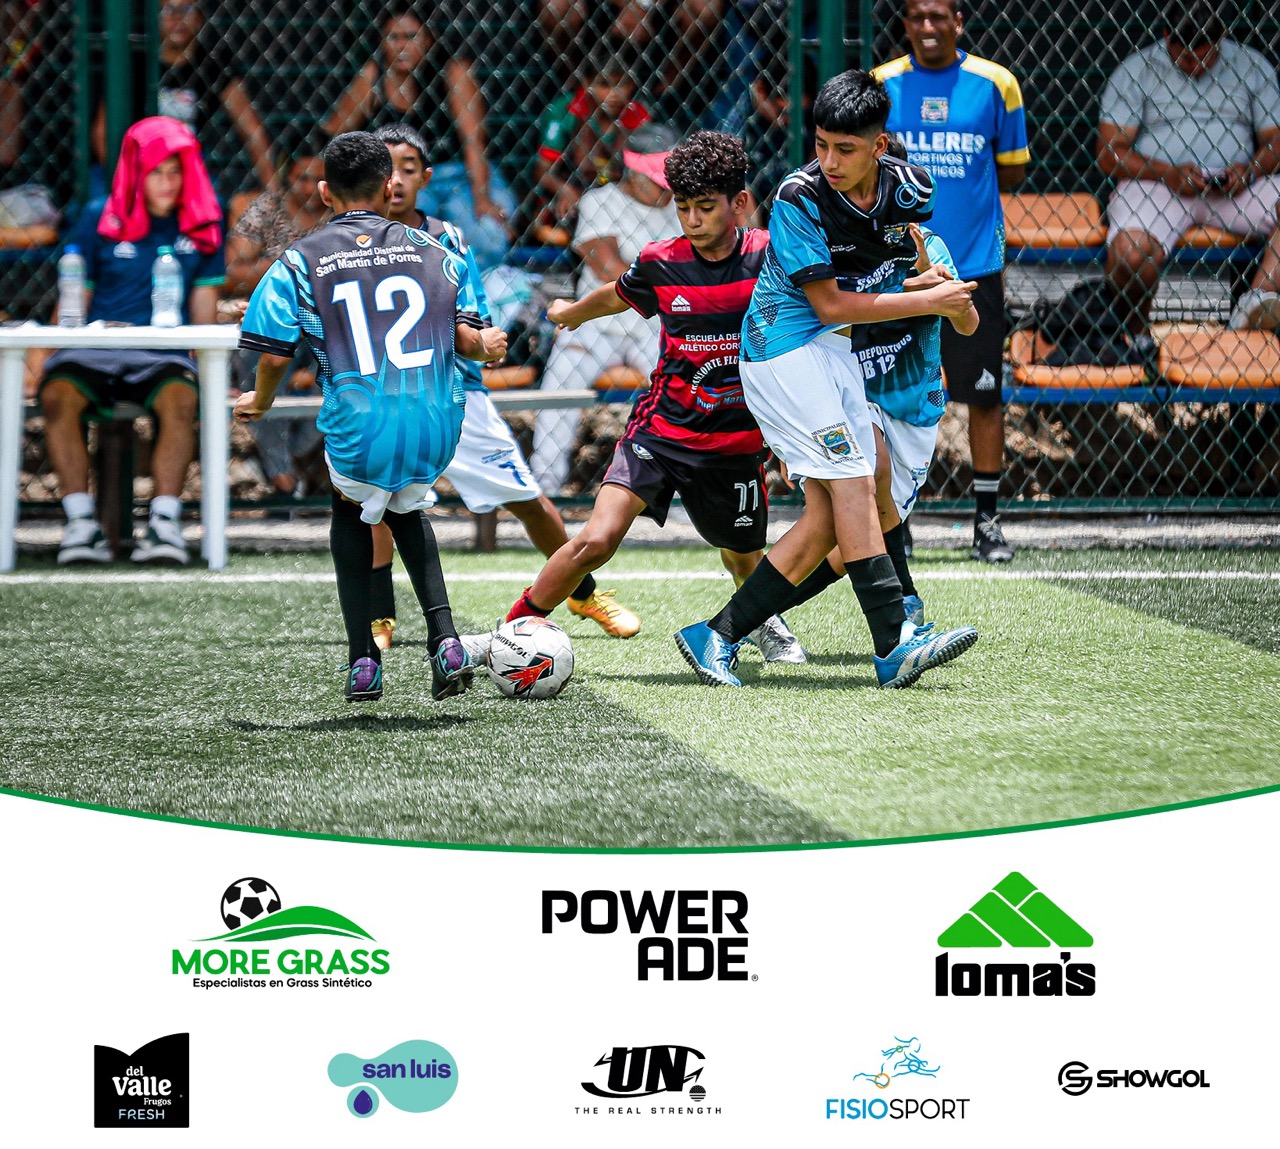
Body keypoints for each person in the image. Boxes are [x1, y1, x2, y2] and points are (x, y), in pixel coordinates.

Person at [674, 70, 979, 689]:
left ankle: (716, 635)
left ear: (879, 145)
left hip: (833, 355)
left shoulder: (910, 190)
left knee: (829, 515)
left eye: (845, 148)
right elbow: (832, 304)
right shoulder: (798, 198)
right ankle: (894, 641)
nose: (830, 161)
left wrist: (927, 282)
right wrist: (929, 299)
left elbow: (892, 273)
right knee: (854, 483)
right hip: (781, 350)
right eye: (821, 145)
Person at [467, 130, 804, 663]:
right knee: (595, 540)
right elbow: (616, 294)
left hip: (735, 444)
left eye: (705, 208)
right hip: (660, 433)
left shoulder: (770, 256)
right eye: (683, 208)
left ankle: (761, 619)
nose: (692, 220)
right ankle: (506, 634)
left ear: (740, 203)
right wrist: (573, 313)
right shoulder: (662, 261)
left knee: (744, 556)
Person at [235, 131, 507, 703]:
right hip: (436, 419)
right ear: (389, 187)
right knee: (407, 504)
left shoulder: (300, 259)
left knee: (351, 509)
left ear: (324, 192)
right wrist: (486, 347)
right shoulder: (437, 249)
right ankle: (445, 639)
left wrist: (261, 400)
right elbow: (469, 336)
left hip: (361, 422)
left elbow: (272, 354)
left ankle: (363, 658)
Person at [368, 122, 640, 648]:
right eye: (386, 169)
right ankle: (380, 618)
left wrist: (481, 340)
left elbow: (473, 314)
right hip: (383, 395)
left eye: (407, 169)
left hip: (454, 393)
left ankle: (582, 592)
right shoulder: (355, 242)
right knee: (374, 503)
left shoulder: (448, 239)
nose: (395, 180)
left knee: (527, 498)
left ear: (426, 178)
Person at [775, 141, 980, 634]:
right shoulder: (836, 250)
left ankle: (759, 613)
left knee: (847, 542)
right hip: (850, 394)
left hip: (912, 404)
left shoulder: (930, 247)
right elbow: (820, 315)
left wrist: (932, 282)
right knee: (873, 466)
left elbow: (969, 323)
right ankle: (903, 601)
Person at [873, 0, 1028, 563]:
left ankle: (987, 521)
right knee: (892, 395)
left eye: (939, 16)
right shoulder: (881, 83)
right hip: (898, 265)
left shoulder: (996, 83)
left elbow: (1013, 167)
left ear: (958, 21)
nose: (928, 27)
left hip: (973, 264)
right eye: (917, 17)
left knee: (983, 395)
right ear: (905, 24)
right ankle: (897, 521)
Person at [40, 116, 224, 566]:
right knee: (56, 393)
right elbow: (73, 299)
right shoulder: (98, 215)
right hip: (94, 351)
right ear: (136, 173)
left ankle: (164, 523)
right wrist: (37, 362)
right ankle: (80, 524)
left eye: (176, 172)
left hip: (162, 356)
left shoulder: (202, 223)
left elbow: (204, 315)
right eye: (156, 172)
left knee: (182, 398)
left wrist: (214, 375)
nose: (167, 183)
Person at [1097, 1, 1280, 335]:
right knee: (1130, 255)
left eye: (1205, 57)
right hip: (1158, 186)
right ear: (1167, 36)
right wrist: (1167, 173)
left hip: (1236, 188)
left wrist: (1250, 170)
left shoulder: (1251, 65)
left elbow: (1276, 141)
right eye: (1183, 58)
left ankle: (1254, 307)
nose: (1194, 67)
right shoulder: (1137, 69)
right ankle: (1137, 339)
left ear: (1220, 38)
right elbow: (1109, 153)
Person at [529, 121, 681, 494]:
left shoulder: (684, 205)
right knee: (560, 384)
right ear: (633, 173)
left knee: (682, 390)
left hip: (657, 326)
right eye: (657, 179)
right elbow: (608, 268)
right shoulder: (601, 201)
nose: (665, 187)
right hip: (596, 323)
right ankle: (544, 488)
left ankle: (684, 487)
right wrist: (673, 281)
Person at [325, 4, 515, 270]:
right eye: (394, 37)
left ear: (428, 40)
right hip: (402, 180)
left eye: (412, 37)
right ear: (382, 42)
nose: (402, 46)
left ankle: (475, 292)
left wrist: (482, 198)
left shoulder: (451, 72)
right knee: (401, 242)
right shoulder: (373, 77)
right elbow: (335, 133)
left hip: (460, 175)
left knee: (486, 236)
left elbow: (474, 140)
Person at [223, 131, 331, 503]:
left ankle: (283, 465)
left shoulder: (340, 217)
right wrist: (292, 268)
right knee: (258, 365)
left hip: (323, 324)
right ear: (287, 178)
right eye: (301, 178)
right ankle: (285, 476)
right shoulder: (267, 208)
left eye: (318, 179)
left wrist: (279, 270)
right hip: (269, 319)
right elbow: (233, 273)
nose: (310, 189)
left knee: (340, 374)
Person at [92, 0, 276, 196]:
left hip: (186, 165)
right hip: (134, 164)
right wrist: (127, 189)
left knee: (215, 203)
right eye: (168, 10)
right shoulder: (136, 60)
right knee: (96, 204)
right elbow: (101, 132)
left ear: (199, 18)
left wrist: (274, 192)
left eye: (186, 9)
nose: (177, 18)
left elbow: (252, 129)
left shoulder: (213, 63)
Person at [531, 43, 652, 239]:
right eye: (604, 85)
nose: (614, 94)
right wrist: (565, 190)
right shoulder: (565, 110)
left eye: (621, 85)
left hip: (620, 195)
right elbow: (542, 169)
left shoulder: (638, 115)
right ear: (588, 83)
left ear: (632, 85)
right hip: (574, 190)